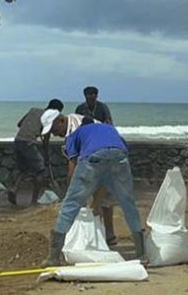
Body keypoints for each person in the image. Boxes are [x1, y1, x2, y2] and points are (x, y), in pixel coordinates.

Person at [42, 121, 146, 266]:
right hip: (119, 156)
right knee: (128, 203)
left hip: (93, 157)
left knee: (70, 205)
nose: (54, 134)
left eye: (54, 130)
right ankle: (142, 254)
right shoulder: (109, 128)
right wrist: (96, 201)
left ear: (62, 121)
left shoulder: (74, 135)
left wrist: (74, 193)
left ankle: (53, 257)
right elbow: (115, 158)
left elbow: (73, 168)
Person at [74, 87, 118, 242]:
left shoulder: (102, 108)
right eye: (88, 95)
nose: (91, 97)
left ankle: (109, 234)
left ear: (96, 96)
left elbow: (110, 125)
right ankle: (96, 234)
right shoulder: (80, 109)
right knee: (91, 200)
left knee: (104, 200)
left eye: (93, 95)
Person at [8, 99, 63, 205]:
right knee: (41, 172)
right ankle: (34, 201)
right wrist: (46, 156)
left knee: (23, 170)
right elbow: (46, 141)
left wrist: (35, 127)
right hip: (28, 143)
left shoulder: (33, 110)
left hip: (18, 141)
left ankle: (14, 188)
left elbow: (19, 124)